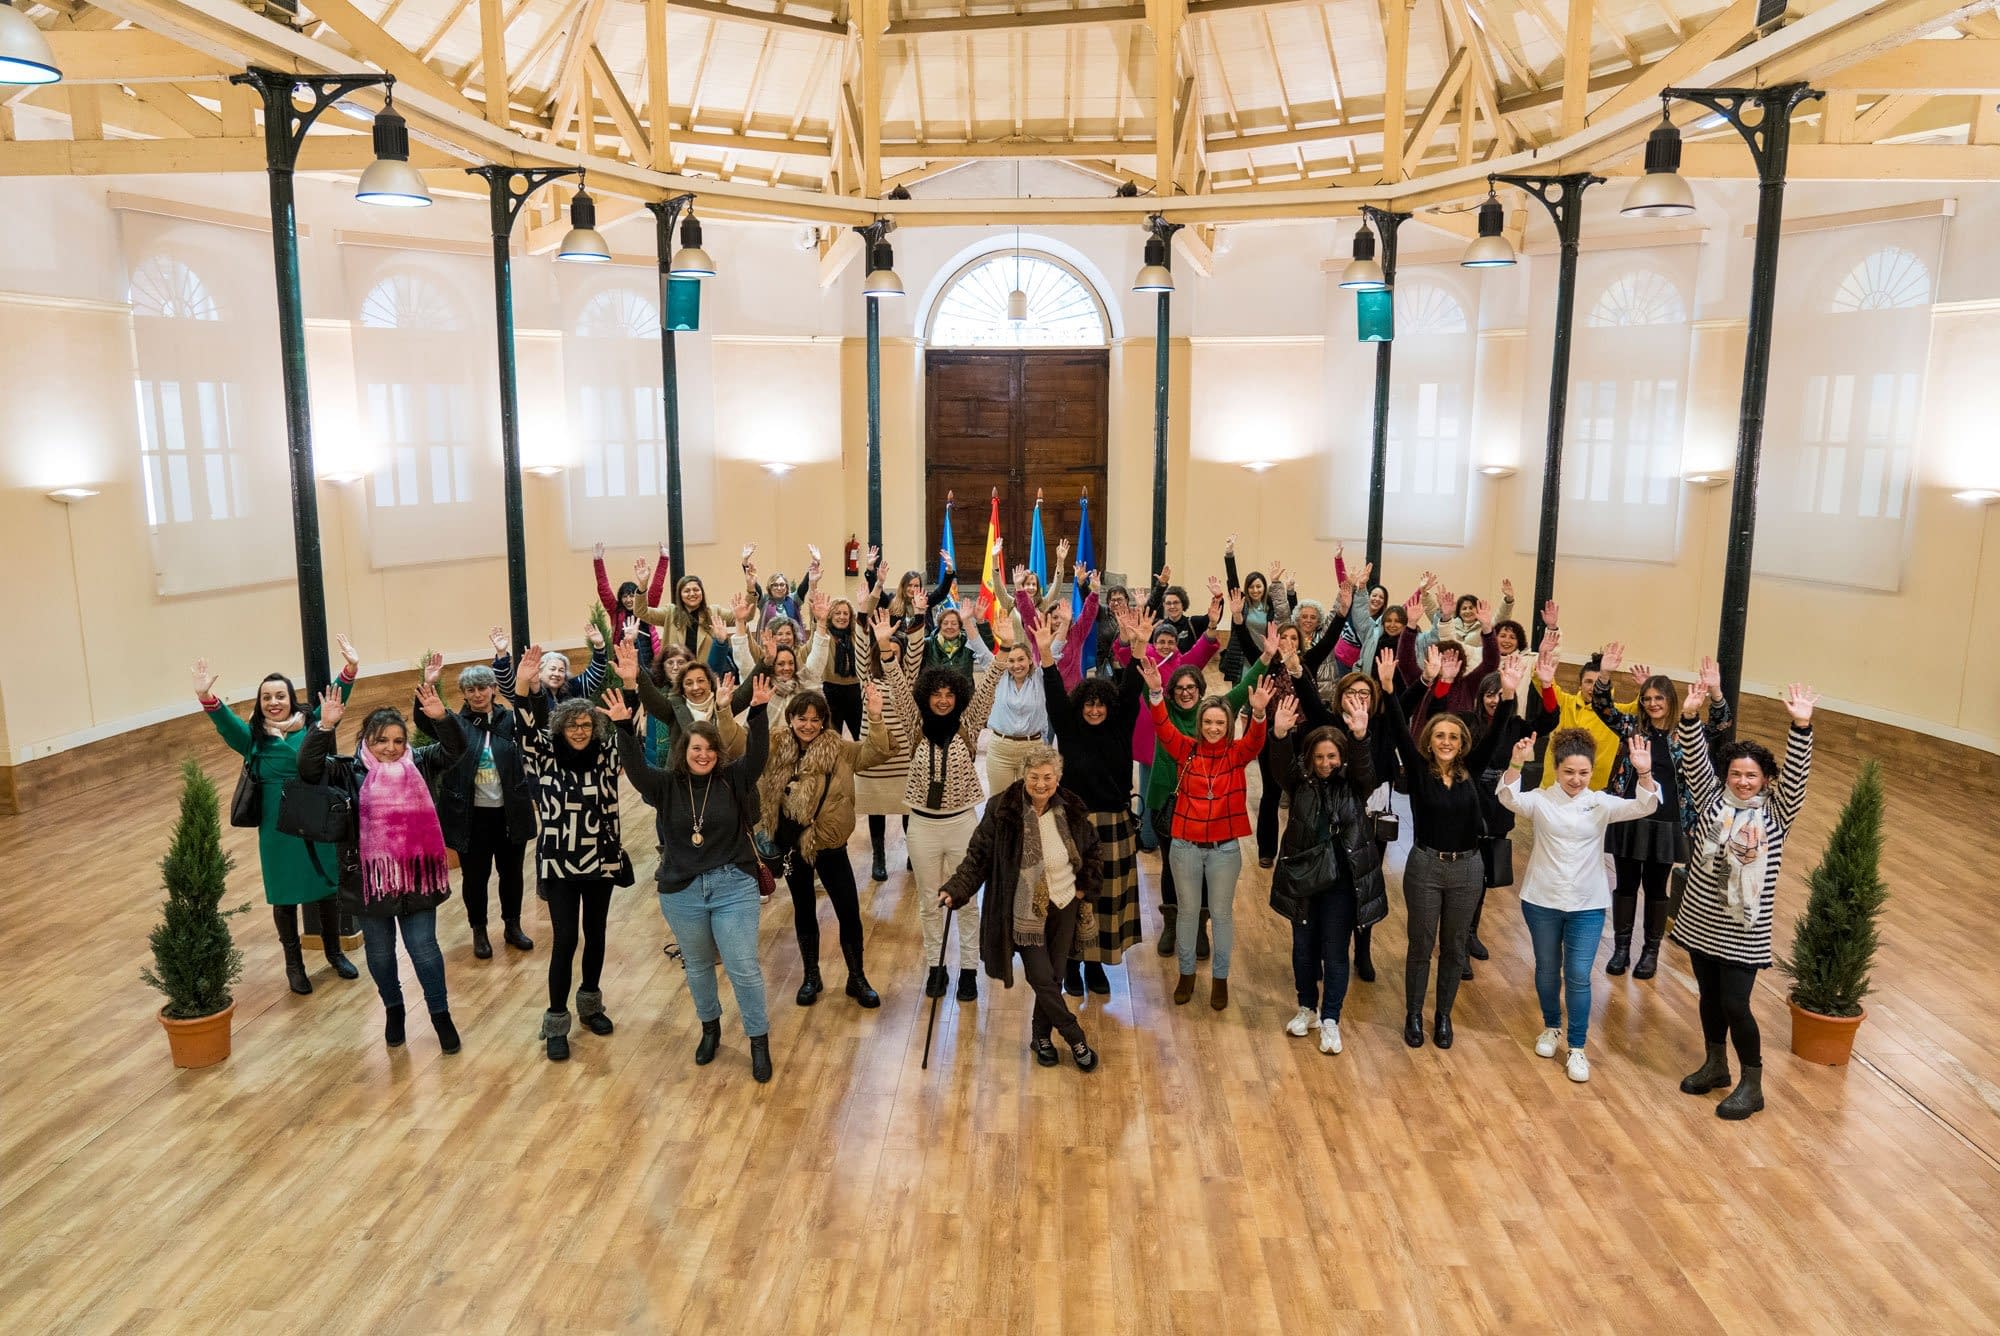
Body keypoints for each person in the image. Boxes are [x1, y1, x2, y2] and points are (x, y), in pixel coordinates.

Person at [615, 672, 777, 1082]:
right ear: (684, 750)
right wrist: (622, 725)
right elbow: (634, 768)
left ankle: (759, 1040)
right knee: (699, 966)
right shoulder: (665, 786)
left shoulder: (734, 779)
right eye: (695, 748)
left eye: (709, 749)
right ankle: (710, 1028)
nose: (702, 755)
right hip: (682, 891)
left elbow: (757, 755)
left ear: (718, 754)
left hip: (733, 885)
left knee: (742, 966)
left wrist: (757, 711)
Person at [297, 667, 468, 1054]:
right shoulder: (345, 770)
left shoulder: (421, 763)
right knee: (379, 954)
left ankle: (440, 1015)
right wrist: (323, 728)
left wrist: (442, 717)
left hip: (416, 878)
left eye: (397, 740)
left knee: (424, 949)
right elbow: (307, 770)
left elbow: (457, 750)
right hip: (368, 882)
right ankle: (394, 1009)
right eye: (381, 741)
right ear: (366, 742)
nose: (390, 748)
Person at [1672, 678, 1817, 1121]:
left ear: (1765, 779)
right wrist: (1690, 716)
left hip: (1743, 931)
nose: (1743, 781)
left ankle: (1751, 1083)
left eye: (1752, 775)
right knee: (1709, 999)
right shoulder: (1712, 801)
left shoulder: (1775, 814)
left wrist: (1801, 726)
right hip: (1699, 920)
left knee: (1736, 1004)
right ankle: (1716, 1065)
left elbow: (1796, 778)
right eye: (1736, 773)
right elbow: (1695, 761)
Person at [192, 638, 361, 995]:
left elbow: (335, 703)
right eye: (266, 697)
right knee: (284, 896)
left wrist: (349, 672)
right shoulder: (252, 739)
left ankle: (334, 953)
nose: (273, 703)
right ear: (260, 702)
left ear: (290, 698)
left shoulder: (311, 725)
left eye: (279, 696)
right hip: (276, 827)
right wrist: (207, 697)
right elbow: (225, 725)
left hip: (314, 817)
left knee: (326, 887)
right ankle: (294, 965)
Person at [1497, 728, 1660, 1082]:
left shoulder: (1600, 803)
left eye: (1583, 773)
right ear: (1556, 768)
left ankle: (1577, 1047)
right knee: (1545, 969)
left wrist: (1644, 772)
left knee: (1578, 975)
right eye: (1569, 772)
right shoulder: (1540, 799)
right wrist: (1515, 763)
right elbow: (1508, 798)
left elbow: (1645, 804)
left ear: (1592, 772)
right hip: (1541, 900)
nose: (1576, 779)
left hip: (1587, 904)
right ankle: (1551, 1027)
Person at [1378, 646, 1518, 1050]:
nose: (1445, 741)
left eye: (1453, 737)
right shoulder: (1420, 771)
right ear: (1430, 740)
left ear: (1462, 743)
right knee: (1421, 946)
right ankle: (1413, 1014)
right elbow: (1401, 729)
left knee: (1455, 949)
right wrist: (1389, 688)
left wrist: (1508, 696)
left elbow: (1494, 738)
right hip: (1425, 867)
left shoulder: (1471, 770)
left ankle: (1442, 1016)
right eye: (1439, 735)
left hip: (1468, 870)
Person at [938, 745, 1103, 1071]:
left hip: (1065, 902)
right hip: (1024, 911)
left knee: (1054, 977)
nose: (1041, 784)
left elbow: (1092, 849)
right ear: (1023, 775)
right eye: (1034, 777)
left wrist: (1086, 885)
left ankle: (1041, 1037)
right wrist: (956, 889)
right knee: (1041, 977)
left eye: (1048, 777)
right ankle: (1075, 1037)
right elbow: (977, 857)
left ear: (1057, 777)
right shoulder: (1003, 810)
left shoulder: (1070, 807)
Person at [876, 605, 1004, 1003]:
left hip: (962, 823)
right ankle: (936, 967)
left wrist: (1004, 650)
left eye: (950, 694)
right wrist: (884, 650)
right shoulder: (915, 726)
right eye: (937, 694)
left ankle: (968, 969)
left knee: (964, 900)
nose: (944, 700)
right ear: (927, 697)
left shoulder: (969, 725)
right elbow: (896, 686)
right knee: (930, 902)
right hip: (922, 826)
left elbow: (988, 687)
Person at [749, 680, 899, 1009]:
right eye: (802, 718)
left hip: (831, 844)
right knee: (804, 910)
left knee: (848, 912)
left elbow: (879, 751)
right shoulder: (773, 748)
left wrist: (876, 716)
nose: (808, 725)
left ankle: (856, 978)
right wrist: (756, 709)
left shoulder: (840, 750)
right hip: (791, 846)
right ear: (790, 719)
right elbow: (736, 747)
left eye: (815, 719)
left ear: (824, 721)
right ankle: (811, 976)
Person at [515, 643, 633, 1062]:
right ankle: (556, 1019)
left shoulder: (605, 755)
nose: (581, 731)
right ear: (561, 728)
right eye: (573, 725)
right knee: (565, 938)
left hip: (601, 858)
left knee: (597, 933)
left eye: (586, 724)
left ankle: (591, 1004)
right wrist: (526, 687)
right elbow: (526, 727)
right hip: (560, 862)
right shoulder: (544, 758)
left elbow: (625, 729)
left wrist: (632, 687)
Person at [1591, 645, 1735, 978]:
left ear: (1670, 699)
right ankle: (1622, 949)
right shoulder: (1631, 727)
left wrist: (1715, 690)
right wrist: (1606, 674)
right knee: (1625, 884)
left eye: (1659, 698)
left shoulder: (1686, 732)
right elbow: (1602, 705)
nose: (1653, 704)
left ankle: (1650, 952)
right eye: (1647, 699)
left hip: (1668, 820)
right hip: (1630, 816)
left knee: (1657, 888)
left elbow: (1721, 721)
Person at [1142, 655, 1272, 1011]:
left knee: (1222, 914)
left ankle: (1220, 979)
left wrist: (1258, 714)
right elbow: (1163, 724)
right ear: (1199, 725)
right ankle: (1186, 975)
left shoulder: (1237, 753)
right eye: (1208, 722)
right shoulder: (1185, 749)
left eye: (1220, 722)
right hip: (1184, 847)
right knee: (1186, 912)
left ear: (1228, 725)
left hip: (1224, 851)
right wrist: (1156, 693)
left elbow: (1257, 741)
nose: (1214, 727)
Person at [1039, 616, 1146, 995]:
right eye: (1089, 703)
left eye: (1101, 704)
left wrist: (1138, 648)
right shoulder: (1068, 729)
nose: (1095, 710)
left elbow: (1132, 689)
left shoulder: (1120, 725)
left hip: (1115, 821)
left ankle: (1098, 963)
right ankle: (1071, 965)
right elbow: (1053, 695)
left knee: (1105, 900)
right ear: (1080, 705)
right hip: (1073, 822)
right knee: (1070, 898)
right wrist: (1046, 655)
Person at [1269, 697, 1381, 1055]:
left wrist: (1362, 737)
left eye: (1331, 756)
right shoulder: (1298, 784)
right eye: (1318, 757)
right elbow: (1279, 766)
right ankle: (1307, 1008)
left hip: (1342, 885)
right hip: (1304, 881)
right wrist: (1280, 734)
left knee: (1335, 952)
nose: (1325, 763)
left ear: (1341, 757)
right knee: (1302, 950)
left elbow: (1367, 772)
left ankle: (1330, 1017)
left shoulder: (1355, 785)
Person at [428, 649, 537, 960]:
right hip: (471, 818)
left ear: (493, 688)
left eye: (482, 687)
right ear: (463, 693)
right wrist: (430, 685)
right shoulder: (457, 725)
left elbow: (534, 720)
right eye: (470, 689)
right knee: (475, 878)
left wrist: (526, 683)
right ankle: (479, 930)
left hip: (509, 814)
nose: (477, 694)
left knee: (512, 874)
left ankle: (512, 926)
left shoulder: (508, 720)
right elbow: (428, 721)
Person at [593, 540, 670, 665]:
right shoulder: (616, 612)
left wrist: (664, 558)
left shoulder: (647, 607)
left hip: (650, 660)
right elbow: (603, 588)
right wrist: (598, 562)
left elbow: (657, 586)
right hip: (625, 661)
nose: (628, 600)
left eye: (631, 596)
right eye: (624, 596)